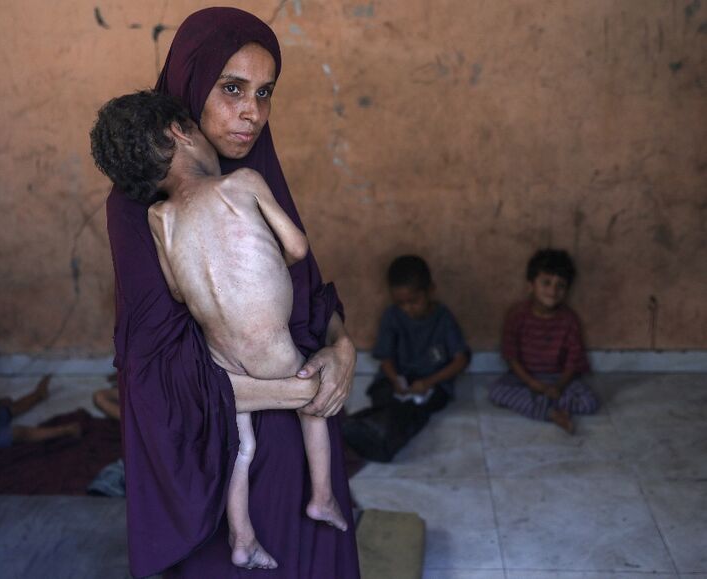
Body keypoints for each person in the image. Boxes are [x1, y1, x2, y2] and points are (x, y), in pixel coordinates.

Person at [102, 7, 359, 578]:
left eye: (265, 93)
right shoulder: (136, 209)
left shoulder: (253, 169)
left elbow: (310, 293)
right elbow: (158, 378)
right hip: (216, 446)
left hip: (301, 416)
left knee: (313, 550)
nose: (253, 113)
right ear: (186, 100)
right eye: (233, 88)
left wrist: (342, 350)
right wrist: (296, 392)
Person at [343, 255, 470, 462]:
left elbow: (460, 360)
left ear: (430, 291)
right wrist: (395, 380)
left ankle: (380, 438)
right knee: (385, 397)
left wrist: (427, 383)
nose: (407, 308)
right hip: (396, 378)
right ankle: (363, 430)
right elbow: (385, 357)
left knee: (415, 410)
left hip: (432, 383)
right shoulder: (392, 316)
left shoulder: (443, 318)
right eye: (401, 303)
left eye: (414, 301)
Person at [488, 249, 600, 433]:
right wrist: (531, 383)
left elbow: (573, 359)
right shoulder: (517, 315)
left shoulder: (569, 320)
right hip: (524, 377)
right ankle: (550, 412)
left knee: (590, 402)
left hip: (558, 378)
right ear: (531, 285)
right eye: (546, 283)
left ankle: (545, 405)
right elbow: (511, 355)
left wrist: (559, 386)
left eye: (560, 285)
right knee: (497, 392)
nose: (553, 291)